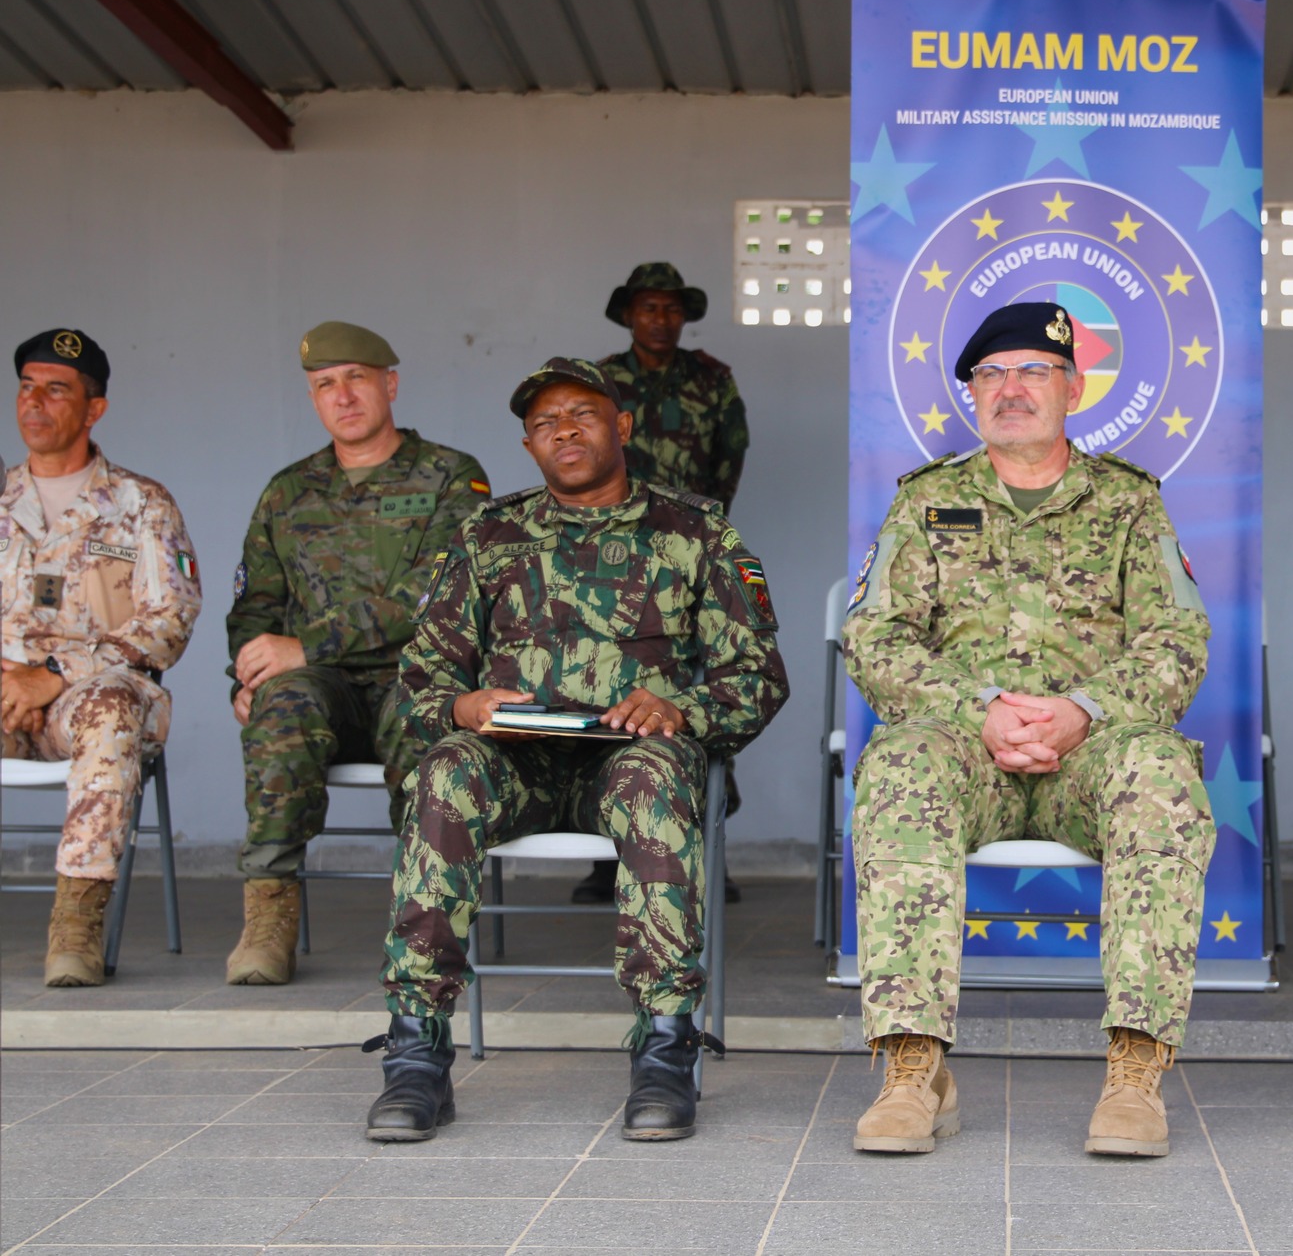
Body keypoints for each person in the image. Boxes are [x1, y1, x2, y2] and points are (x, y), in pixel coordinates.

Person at [365, 356, 787, 1144]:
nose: (564, 429)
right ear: (528, 446)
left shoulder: (695, 532)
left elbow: (757, 675)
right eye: (545, 422)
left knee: (657, 777)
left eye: (583, 414)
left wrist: (679, 704)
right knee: (446, 769)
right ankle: (415, 1046)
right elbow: (420, 674)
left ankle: (665, 1044)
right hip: (513, 762)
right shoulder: (488, 535)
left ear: (622, 427)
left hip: (629, 760)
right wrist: (462, 704)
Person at [841, 302, 1215, 1158]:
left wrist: (1085, 711)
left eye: (1033, 371)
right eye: (991, 374)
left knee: (1160, 775)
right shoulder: (928, 503)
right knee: (899, 768)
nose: (1011, 388)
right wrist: (981, 711)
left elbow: (1177, 639)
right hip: (966, 749)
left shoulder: (1128, 503)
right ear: (971, 394)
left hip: (1091, 753)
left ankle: (1135, 1073)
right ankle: (913, 1069)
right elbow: (876, 635)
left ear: (1073, 387)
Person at [222, 322, 490, 985]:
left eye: (356, 379)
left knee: (424, 717)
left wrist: (305, 642)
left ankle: (420, 919)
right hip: (326, 690)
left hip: (419, 677)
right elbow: (256, 605)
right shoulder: (288, 491)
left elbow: (437, 590)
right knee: (280, 705)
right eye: (324, 385)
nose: (342, 396)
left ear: (390, 384)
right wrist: (248, 674)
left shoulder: (453, 476)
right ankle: (269, 918)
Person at [2, 328, 202, 987]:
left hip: (95, 699)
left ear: (94, 409)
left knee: (113, 706)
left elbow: (169, 620)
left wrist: (56, 674)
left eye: (55, 389)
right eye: (27, 387)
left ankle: (76, 926)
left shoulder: (141, 505)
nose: (34, 403)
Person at [575, 262, 750, 907]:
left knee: (705, 694)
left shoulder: (712, 379)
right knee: (595, 681)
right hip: (600, 563)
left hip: (685, 557)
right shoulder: (600, 382)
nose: (660, 319)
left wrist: (697, 528)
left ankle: (707, 848)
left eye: (671, 309)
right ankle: (603, 859)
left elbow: (732, 453)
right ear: (628, 314)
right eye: (648, 308)